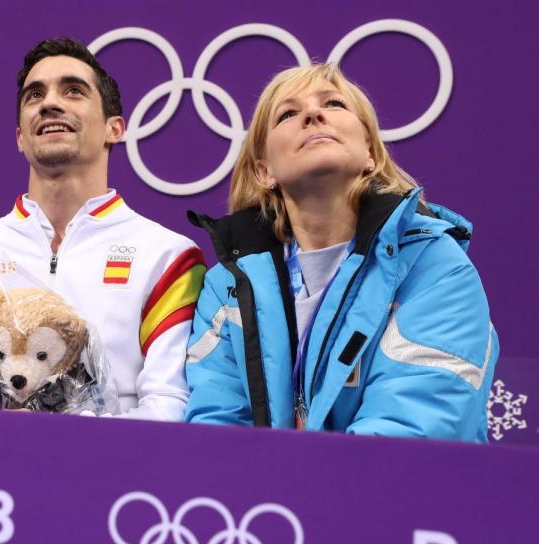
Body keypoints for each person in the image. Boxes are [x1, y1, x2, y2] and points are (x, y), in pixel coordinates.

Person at [184, 63, 497, 441]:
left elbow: (415, 431)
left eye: (334, 104)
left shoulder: (434, 265)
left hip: (393, 495)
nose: (314, 115)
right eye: (287, 114)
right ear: (265, 171)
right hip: (261, 499)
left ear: (370, 153)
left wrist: (297, 492)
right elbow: (216, 435)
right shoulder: (227, 286)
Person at [0, 38, 205, 421]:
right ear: (19, 137)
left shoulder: (168, 257)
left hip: (112, 474)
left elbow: (169, 405)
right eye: (35, 95)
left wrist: (64, 446)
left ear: (115, 128)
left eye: (74, 91)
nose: (49, 103)